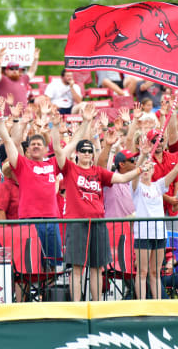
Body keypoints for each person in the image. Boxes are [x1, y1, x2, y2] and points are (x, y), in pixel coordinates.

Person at [51, 104, 140, 301]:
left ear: (92, 154)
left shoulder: (99, 172)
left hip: (98, 223)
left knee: (97, 268)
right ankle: (76, 306)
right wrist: (56, 128)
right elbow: (58, 150)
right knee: (76, 268)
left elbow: (123, 179)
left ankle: (96, 305)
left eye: (88, 150)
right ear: (78, 153)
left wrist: (141, 169)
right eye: (82, 150)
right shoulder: (70, 169)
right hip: (77, 222)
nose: (85, 153)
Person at [0, 100, 62, 266]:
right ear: (28, 150)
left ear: (46, 150)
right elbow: (10, 141)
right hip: (29, 221)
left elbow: (61, 148)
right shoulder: (23, 165)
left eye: (39, 144)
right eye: (33, 144)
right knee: (28, 264)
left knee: (53, 264)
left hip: (51, 220)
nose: (36, 146)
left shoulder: (52, 164)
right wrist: (2, 119)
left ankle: (49, 293)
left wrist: (55, 127)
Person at [131, 138, 178, 300]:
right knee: (142, 272)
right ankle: (142, 304)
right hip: (143, 234)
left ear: (153, 171)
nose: (147, 170)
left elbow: (176, 170)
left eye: (149, 168)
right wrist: (142, 157)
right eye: (144, 169)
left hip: (159, 233)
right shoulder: (137, 187)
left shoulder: (158, 185)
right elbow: (134, 175)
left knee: (154, 272)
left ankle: (159, 304)